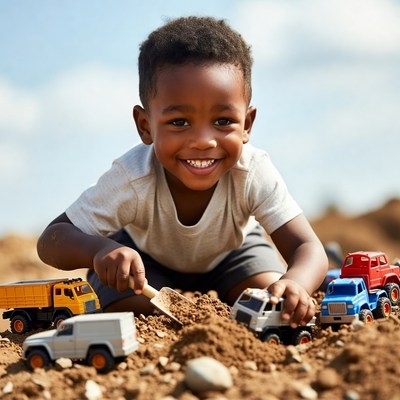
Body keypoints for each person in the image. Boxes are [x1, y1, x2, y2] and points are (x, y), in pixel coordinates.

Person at [37, 16, 328, 328]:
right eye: (179, 122)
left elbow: (307, 247)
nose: (203, 141)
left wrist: (297, 281)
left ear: (247, 124)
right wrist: (101, 250)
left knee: (269, 298)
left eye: (223, 121)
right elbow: (52, 239)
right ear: (145, 126)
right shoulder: (133, 177)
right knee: (131, 308)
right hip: (145, 263)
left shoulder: (252, 171)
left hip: (233, 254)